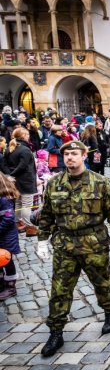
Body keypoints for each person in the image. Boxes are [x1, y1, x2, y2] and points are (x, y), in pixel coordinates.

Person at [36, 140, 110, 357]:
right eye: (67, 154)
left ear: (84, 155)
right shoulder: (54, 183)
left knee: (102, 281)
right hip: (65, 244)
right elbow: (47, 214)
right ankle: (56, 332)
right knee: (59, 289)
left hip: (93, 242)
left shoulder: (100, 182)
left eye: (74, 153)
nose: (70, 157)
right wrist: (42, 239)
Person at [6, 128, 38, 236]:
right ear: (23, 135)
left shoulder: (10, 148)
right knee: (26, 204)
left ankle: (18, 224)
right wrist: (12, 175)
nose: (28, 136)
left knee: (19, 203)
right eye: (27, 134)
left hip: (16, 180)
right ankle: (30, 227)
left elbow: (5, 165)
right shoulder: (24, 149)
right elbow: (23, 166)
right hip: (25, 180)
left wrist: (10, 176)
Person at [0, 172, 21, 300]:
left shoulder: (4, 199)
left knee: (7, 260)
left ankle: (11, 287)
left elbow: (8, 219)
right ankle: (1, 283)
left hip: (7, 236)